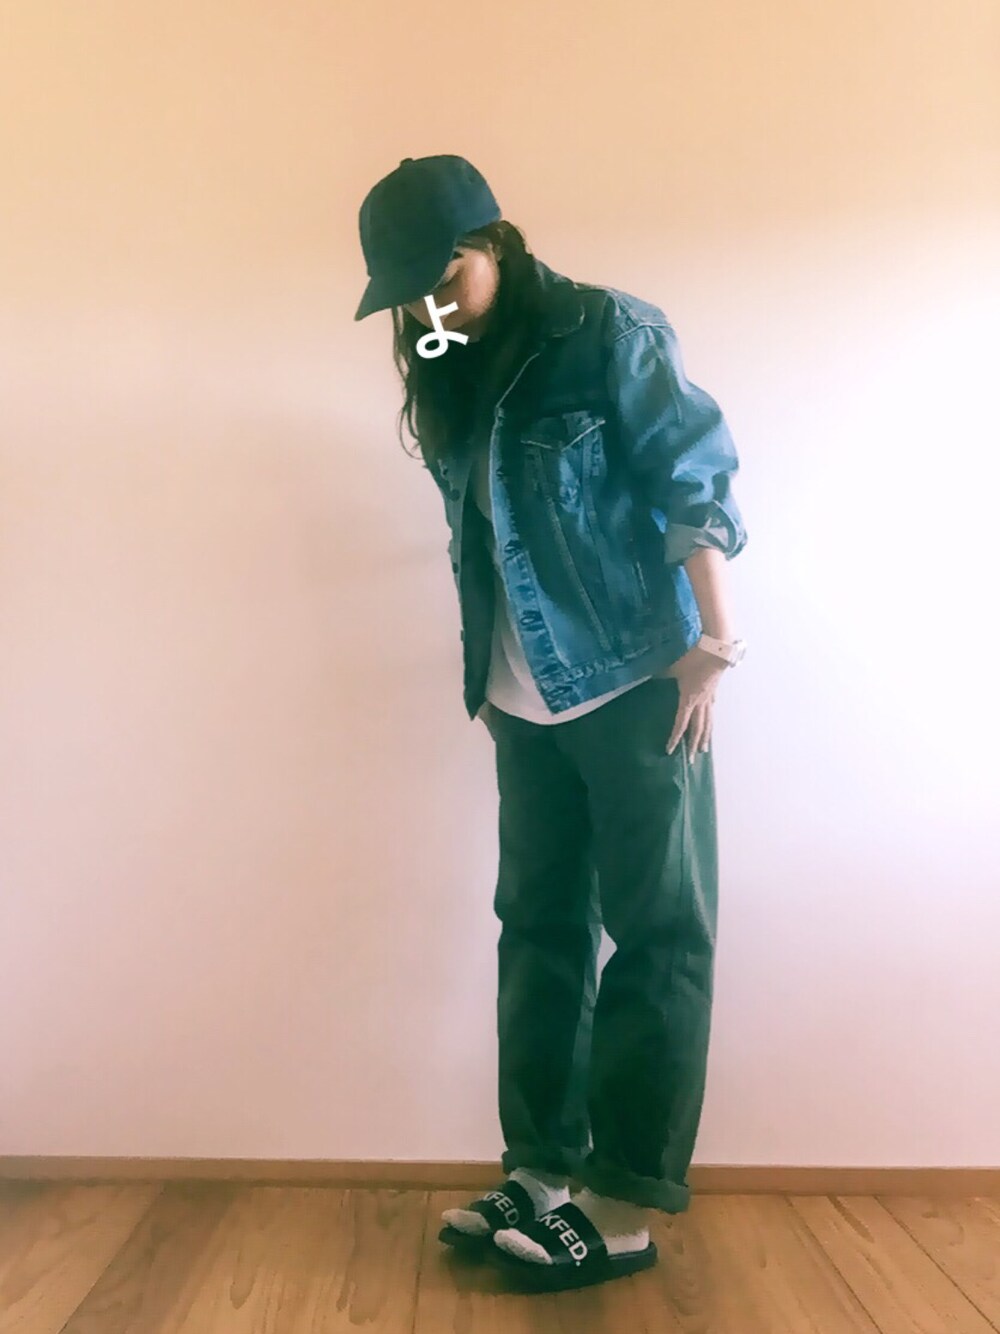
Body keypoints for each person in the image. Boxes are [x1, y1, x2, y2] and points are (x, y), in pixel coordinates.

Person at [353, 154, 748, 1294]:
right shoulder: (449, 357)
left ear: (494, 243)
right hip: (522, 701)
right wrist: (489, 682)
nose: (425, 310)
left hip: (636, 684)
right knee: (537, 930)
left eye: (441, 280)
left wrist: (715, 646)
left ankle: (621, 1205)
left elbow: (694, 481)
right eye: (407, 298)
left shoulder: (607, 331)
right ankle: (539, 1174)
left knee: (658, 933)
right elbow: (477, 531)